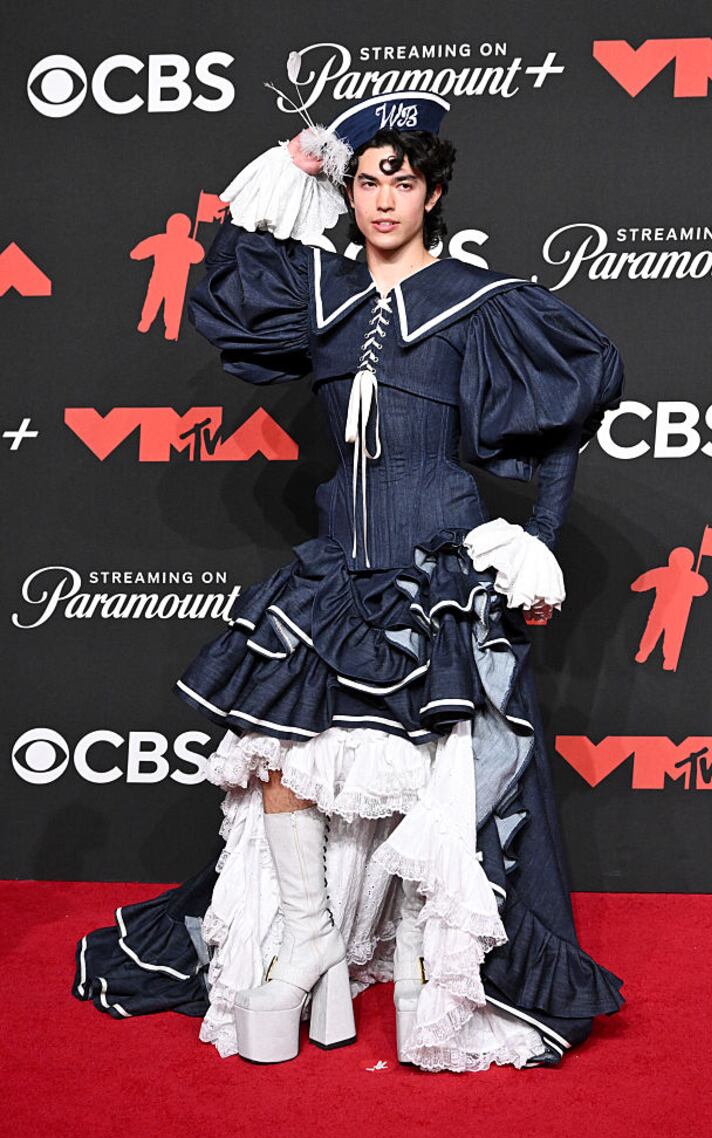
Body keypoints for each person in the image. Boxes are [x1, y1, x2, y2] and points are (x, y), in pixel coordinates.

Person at [73, 86, 626, 1072]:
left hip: (437, 576)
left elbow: (557, 431)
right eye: (367, 178)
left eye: (401, 181)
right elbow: (239, 267)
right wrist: (294, 161)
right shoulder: (318, 299)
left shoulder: (480, 303)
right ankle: (308, 934)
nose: (381, 199)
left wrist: (533, 546)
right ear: (348, 189)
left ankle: (425, 965)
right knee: (277, 760)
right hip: (334, 576)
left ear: (432, 191)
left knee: (437, 786)